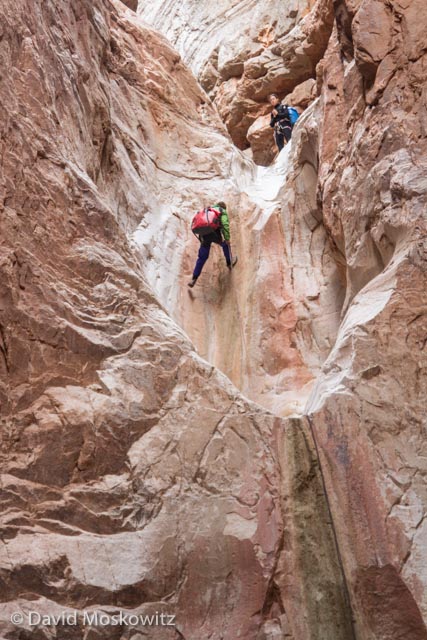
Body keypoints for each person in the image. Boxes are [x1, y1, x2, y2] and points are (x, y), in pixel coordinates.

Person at [188, 201, 238, 288]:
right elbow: (225, 224)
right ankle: (229, 262)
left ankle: (194, 278)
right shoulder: (221, 210)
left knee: (202, 257)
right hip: (214, 233)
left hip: (204, 235)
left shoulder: (208, 210)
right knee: (225, 244)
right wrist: (227, 238)